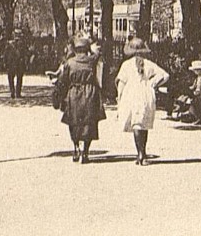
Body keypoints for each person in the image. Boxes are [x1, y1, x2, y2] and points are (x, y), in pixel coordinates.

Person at [115, 38, 170, 166]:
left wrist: (119, 98)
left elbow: (121, 84)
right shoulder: (149, 64)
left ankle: (139, 153)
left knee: (136, 124)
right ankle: (143, 153)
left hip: (131, 94)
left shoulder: (126, 65)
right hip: (146, 93)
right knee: (143, 123)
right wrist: (153, 83)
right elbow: (165, 75)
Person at [57, 36, 106, 164]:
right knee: (89, 123)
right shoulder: (91, 60)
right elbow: (98, 53)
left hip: (74, 93)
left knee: (73, 122)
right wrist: (93, 49)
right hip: (90, 93)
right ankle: (85, 152)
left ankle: (76, 148)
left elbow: (63, 81)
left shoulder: (70, 62)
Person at [3, 27, 27, 99]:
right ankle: (15, 92)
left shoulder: (20, 44)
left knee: (15, 78)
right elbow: (6, 54)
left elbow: (25, 54)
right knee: (14, 78)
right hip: (14, 63)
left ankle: (15, 92)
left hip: (16, 63)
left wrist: (5, 62)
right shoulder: (12, 44)